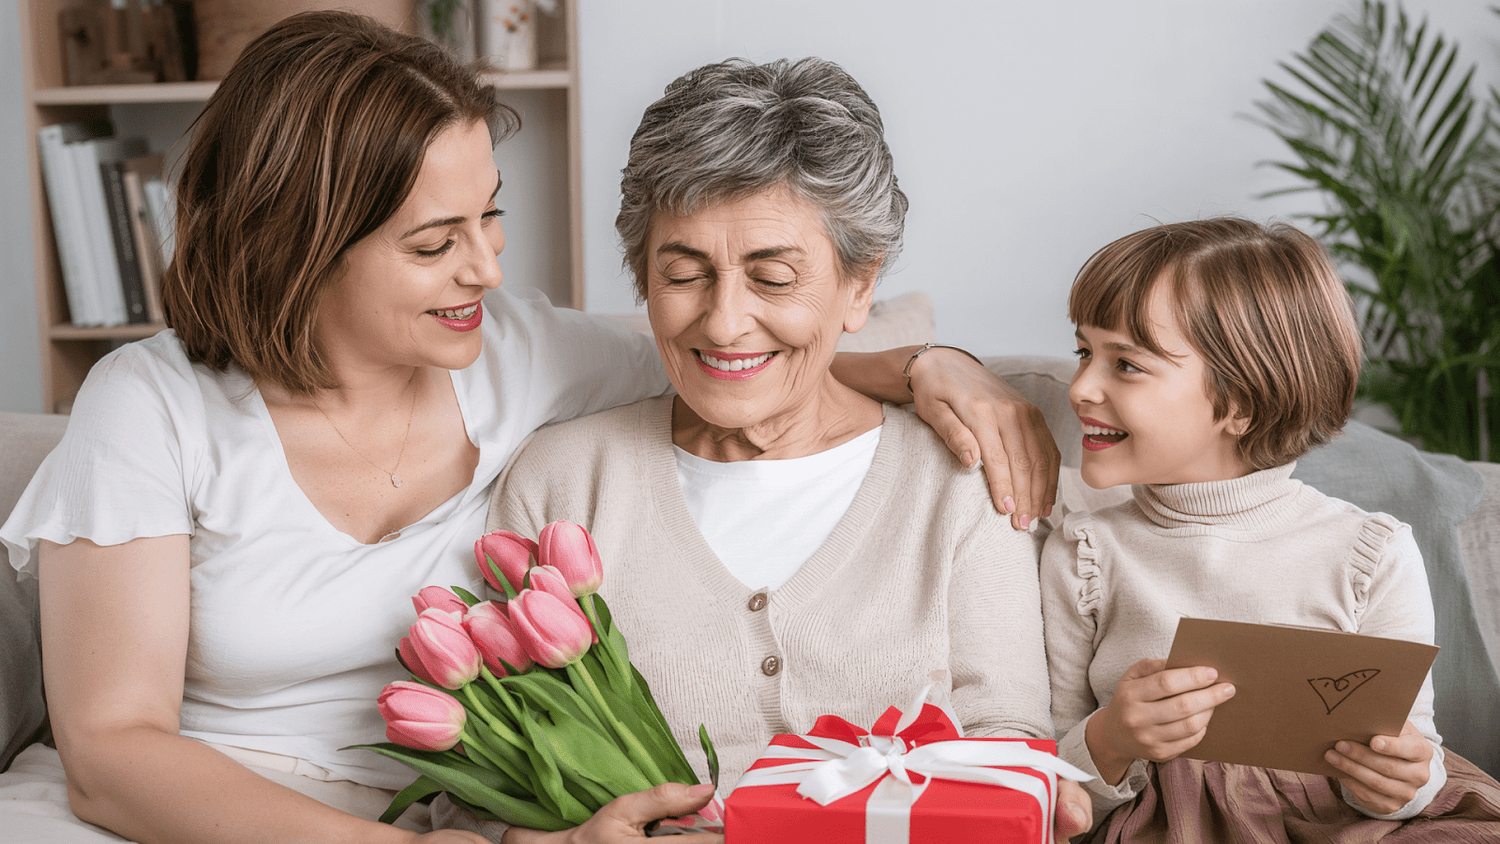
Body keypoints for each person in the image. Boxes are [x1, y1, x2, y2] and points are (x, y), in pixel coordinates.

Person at [0, 13, 1063, 844]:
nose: (489, 268)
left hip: (424, 807)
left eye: (491, 214)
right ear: (303, 243)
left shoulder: (518, 353)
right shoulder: (152, 403)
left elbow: (736, 360)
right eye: (435, 242)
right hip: (169, 814)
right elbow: (111, 751)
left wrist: (936, 364)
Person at [443, 57, 1093, 844]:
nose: (723, 323)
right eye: (683, 274)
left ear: (860, 287)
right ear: (642, 280)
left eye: (773, 278)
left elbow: (1008, 737)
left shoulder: (954, 476)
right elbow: (489, 778)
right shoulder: (562, 481)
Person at [1041, 217, 1500, 842]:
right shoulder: (1085, 551)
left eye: (1125, 365)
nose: (1080, 387)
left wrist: (1403, 785)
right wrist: (1113, 737)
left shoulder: (1372, 551)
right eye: (1084, 353)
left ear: (1241, 405)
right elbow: (1046, 785)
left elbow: (1413, 758)